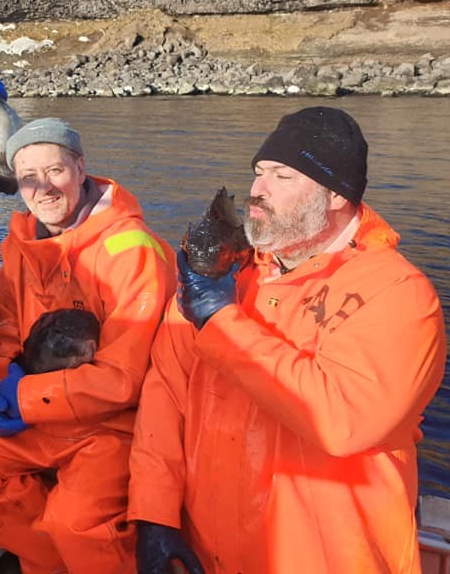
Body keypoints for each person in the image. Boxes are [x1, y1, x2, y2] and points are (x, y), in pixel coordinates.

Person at [127, 107, 447, 574]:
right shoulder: (223, 272)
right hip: (207, 550)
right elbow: (166, 393)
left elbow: (341, 420)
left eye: (282, 176)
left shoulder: (398, 293)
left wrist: (220, 320)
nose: (258, 189)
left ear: (335, 195)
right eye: (259, 172)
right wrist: (154, 514)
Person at [0, 117, 177, 574]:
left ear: (80, 169)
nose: (43, 188)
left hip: (114, 426)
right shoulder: (20, 248)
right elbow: (2, 328)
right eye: (28, 177)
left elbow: (124, 379)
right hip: (40, 416)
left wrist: (24, 398)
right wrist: (0, 382)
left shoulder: (133, 251)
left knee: (75, 523)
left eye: (55, 171)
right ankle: (50, 562)